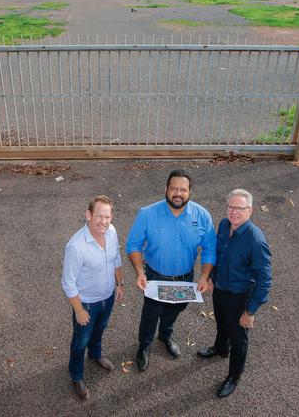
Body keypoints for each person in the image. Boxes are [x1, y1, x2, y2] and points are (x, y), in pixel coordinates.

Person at [126, 169, 216, 371]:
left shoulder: (202, 216)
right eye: (174, 188)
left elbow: (210, 248)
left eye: (183, 189)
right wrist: (140, 272)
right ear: (166, 189)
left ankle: (165, 336)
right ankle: (144, 346)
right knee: (151, 313)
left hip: (185, 278)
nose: (178, 193)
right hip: (155, 277)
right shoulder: (147, 214)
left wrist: (204, 276)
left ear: (190, 191)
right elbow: (133, 245)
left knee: (175, 309)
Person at [198, 188, 272, 398]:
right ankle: (220, 349)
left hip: (240, 297)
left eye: (239, 208)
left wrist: (250, 311)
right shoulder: (223, 225)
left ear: (250, 211)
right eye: (231, 207)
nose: (234, 212)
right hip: (220, 289)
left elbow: (265, 280)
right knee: (222, 324)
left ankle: (234, 376)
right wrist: (212, 277)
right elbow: (219, 255)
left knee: (239, 340)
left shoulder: (255, 241)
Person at [61, 195, 125, 401]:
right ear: (88, 215)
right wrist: (79, 311)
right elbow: (68, 283)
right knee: (81, 341)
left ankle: (96, 354)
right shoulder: (76, 246)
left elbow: (116, 259)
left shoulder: (112, 232)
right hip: (87, 303)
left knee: (100, 329)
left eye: (107, 216)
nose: (104, 221)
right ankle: (76, 375)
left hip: (108, 297)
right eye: (99, 216)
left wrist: (119, 283)